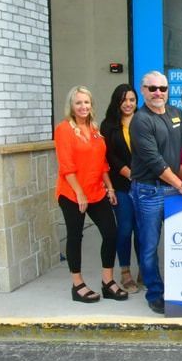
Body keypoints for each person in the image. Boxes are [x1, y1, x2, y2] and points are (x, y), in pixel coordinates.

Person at [130, 71, 182, 314]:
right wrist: (180, 184)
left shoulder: (176, 113)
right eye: (152, 88)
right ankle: (155, 293)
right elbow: (155, 161)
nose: (158, 93)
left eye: (163, 88)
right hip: (149, 191)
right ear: (143, 90)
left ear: (168, 91)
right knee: (149, 245)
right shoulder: (140, 120)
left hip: (174, 188)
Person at [54, 86, 124, 303]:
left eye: (87, 102)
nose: (83, 107)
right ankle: (78, 285)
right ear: (71, 106)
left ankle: (107, 281)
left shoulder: (94, 129)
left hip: (96, 191)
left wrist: (110, 188)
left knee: (111, 233)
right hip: (72, 193)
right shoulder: (64, 129)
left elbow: (102, 163)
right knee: (75, 236)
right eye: (78, 103)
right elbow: (67, 166)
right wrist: (79, 194)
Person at [100, 83, 140, 294]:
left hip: (145, 185)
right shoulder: (108, 125)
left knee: (143, 231)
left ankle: (145, 269)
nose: (128, 104)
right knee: (125, 229)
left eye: (132, 100)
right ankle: (125, 271)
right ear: (117, 101)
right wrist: (128, 172)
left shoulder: (144, 120)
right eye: (124, 100)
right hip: (122, 185)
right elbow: (109, 156)